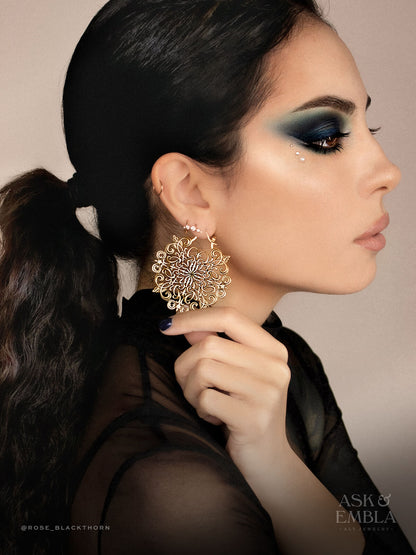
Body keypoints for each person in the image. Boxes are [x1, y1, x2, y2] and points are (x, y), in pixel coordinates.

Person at [0, 0, 413, 554]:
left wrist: (280, 470)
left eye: (369, 125)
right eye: (325, 136)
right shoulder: (169, 487)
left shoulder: (277, 367)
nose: (388, 171)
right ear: (189, 190)